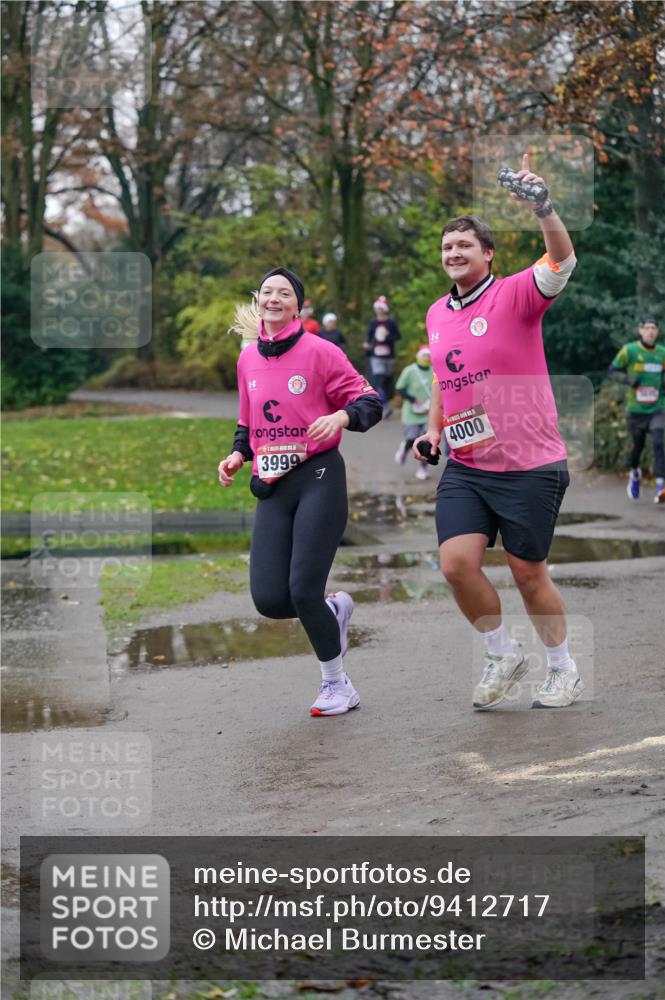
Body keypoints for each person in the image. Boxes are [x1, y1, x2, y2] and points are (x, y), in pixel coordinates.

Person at [414, 153, 584, 710]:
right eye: (446, 248)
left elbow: (562, 259)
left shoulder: (515, 294)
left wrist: (543, 207)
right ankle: (502, 651)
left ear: (487, 253)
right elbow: (446, 375)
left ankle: (563, 668)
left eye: (464, 246)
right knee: (455, 564)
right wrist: (434, 430)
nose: (453, 254)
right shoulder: (437, 313)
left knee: (528, 574)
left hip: (529, 463)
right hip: (467, 464)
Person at [218, 267, 382, 716]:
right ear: (259, 300)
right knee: (271, 600)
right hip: (274, 482)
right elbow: (248, 421)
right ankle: (334, 612)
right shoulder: (247, 357)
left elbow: (370, 401)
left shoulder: (321, 352)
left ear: (297, 306)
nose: (273, 298)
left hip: (319, 476)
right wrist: (237, 455)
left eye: (283, 293)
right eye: (267, 290)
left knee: (302, 588)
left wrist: (341, 418)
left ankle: (337, 685)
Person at [608, 316, 665, 503]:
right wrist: (628, 380)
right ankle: (635, 474)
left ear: (657, 331)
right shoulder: (630, 351)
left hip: (657, 408)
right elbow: (612, 371)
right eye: (647, 328)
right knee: (637, 448)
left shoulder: (662, 352)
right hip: (636, 410)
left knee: (658, 442)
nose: (650, 331)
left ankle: (660, 485)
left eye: (654, 328)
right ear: (640, 330)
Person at [395, 345, 434, 481]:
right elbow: (399, 388)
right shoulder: (410, 371)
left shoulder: (434, 371)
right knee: (412, 438)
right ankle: (405, 448)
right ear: (419, 356)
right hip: (411, 413)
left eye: (429, 356)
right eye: (425, 355)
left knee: (425, 442)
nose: (427, 358)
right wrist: (412, 399)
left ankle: (423, 468)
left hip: (428, 413)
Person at [363, 295, 401, 418]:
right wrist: (367, 344)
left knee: (387, 381)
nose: (379, 311)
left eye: (381, 308)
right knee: (378, 380)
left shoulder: (390, 322)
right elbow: (369, 336)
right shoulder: (373, 323)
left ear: (385, 309)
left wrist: (387, 337)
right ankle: (384, 405)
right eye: (377, 308)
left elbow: (397, 336)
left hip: (389, 356)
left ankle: (386, 402)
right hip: (376, 356)